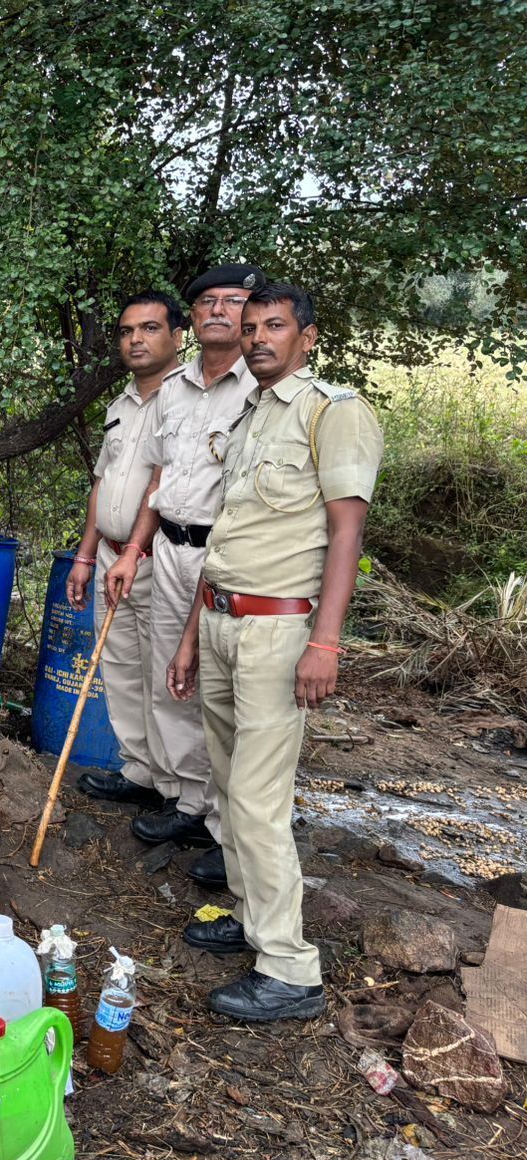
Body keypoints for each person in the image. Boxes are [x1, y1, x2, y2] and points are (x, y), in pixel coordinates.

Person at [170, 282, 383, 1021]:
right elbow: (227, 536)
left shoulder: (334, 412)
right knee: (229, 788)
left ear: (309, 337)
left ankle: (290, 968)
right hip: (225, 619)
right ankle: (251, 916)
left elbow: (345, 533)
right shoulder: (254, 412)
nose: (258, 337)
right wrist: (195, 634)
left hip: (278, 632)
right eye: (252, 326)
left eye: (276, 326)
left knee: (259, 802)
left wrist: (325, 641)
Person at [104, 264, 265, 887]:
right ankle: (188, 801)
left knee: (219, 692)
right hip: (168, 547)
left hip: (223, 558)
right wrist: (133, 549)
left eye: (235, 302)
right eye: (207, 303)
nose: (219, 312)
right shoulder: (175, 391)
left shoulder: (260, 389)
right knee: (169, 674)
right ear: (193, 318)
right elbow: (158, 482)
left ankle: (228, 826)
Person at [67, 292, 187, 815]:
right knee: (120, 669)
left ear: (178, 336)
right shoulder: (120, 404)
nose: (136, 339)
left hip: (158, 560)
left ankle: (180, 791)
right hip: (112, 557)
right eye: (126, 331)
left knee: (166, 677)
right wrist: (85, 554)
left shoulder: (188, 399)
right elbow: (103, 483)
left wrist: (134, 552)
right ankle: (140, 772)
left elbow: (170, 487)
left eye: (150, 328)